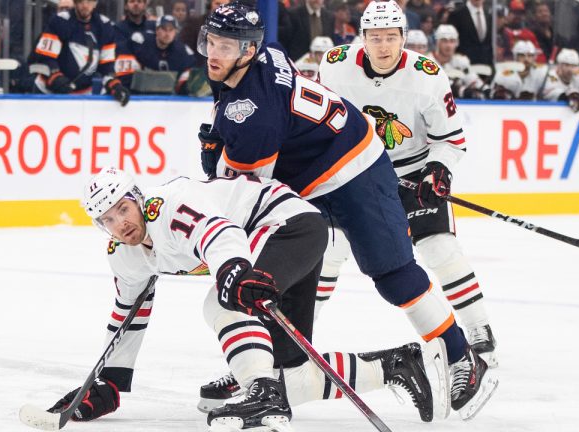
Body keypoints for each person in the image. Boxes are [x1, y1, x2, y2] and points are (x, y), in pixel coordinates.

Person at [196, 1, 497, 421]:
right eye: (211, 42)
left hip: (355, 170)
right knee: (279, 272)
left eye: (226, 46)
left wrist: (212, 167)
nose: (214, 53)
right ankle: (266, 371)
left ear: (248, 51)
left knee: (393, 275)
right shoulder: (266, 54)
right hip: (311, 175)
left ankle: (462, 355)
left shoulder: (255, 115)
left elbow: (248, 195)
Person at [47, 167, 443, 430]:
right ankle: (394, 365)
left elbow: (219, 233)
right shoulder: (125, 254)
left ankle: (262, 392)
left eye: (122, 209)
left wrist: (233, 270)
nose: (121, 224)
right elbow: (128, 316)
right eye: (108, 220)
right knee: (294, 375)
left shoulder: (169, 206)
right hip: (274, 247)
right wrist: (109, 384)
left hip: (290, 228)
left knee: (222, 302)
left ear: (136, 197)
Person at [317, 0, 498, 370]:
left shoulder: (427, 75)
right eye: (375, 37)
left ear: (404, 37)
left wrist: (438, 170)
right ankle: (298, 333)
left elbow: (449, 140)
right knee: (327, 253)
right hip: (354, 172)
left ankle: (479, 330)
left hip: (412, 172)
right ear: (361, 38)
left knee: (440, 249)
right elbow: (321, 122)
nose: (383, 46)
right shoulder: (334, 65)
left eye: (391, 37)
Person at [32, 0, 130, 106]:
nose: (85, 5)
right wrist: (54, 76)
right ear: (75, 2)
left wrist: (114, 85)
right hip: (48, 92)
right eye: (81, 1)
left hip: (83, 97)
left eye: (89, 1)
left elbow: (107, 66)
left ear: (95, 3)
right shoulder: (60, 21)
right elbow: (45, 56)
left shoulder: (105, 26)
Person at [115, 15, 196, 94]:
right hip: (137, 95)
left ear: (175, 32)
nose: (167, 34)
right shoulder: (140, 41)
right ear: (157, 30)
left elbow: (187, 82)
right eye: (164, 29)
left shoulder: (183, 51)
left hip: (168, 99)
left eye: (171, 30)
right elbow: (124, 70)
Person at [447, 0, 493, 67]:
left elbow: (488, 43)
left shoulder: (489, 15)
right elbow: (451, 40)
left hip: (486, 67)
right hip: (463, 66)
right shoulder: (456, 14)